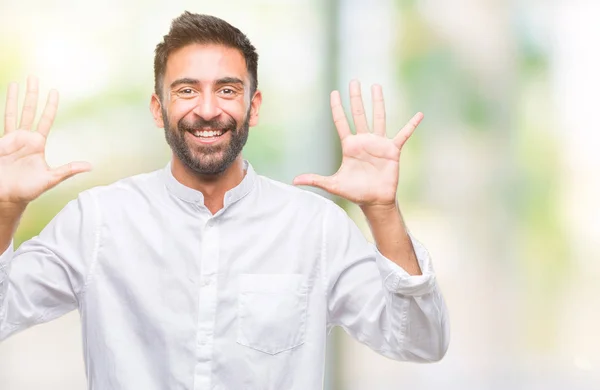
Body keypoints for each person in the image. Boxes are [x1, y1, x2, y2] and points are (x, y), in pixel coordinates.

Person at [0, 11, 449, 390]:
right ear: (159, 109)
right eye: (187, 89)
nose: (209, 109)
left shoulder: (315, 227)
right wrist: (5, 208)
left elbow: (420, 342)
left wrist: (382, 211)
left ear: (253, 107)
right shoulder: (97, 220)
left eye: (228, 89)